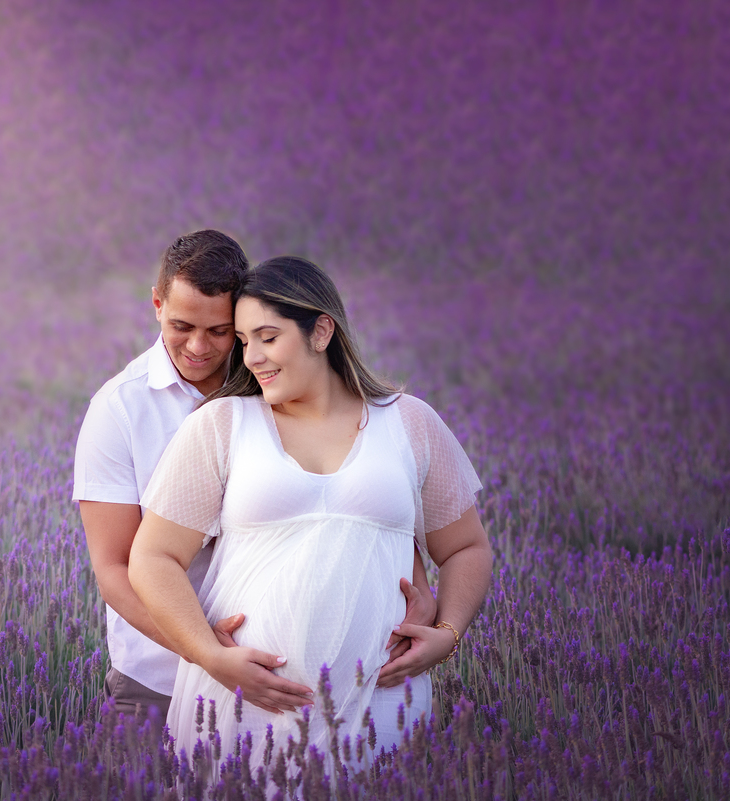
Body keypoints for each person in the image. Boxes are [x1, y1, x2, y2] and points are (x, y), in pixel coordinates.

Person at [129, 256, 492, 766]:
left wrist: (448, 635)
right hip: (245, 702)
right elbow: (152, 558)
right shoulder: (222, 424)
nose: (252, 356)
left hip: (381, 698)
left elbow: (466, 548)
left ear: (321, 331)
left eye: (268, 337)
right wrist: (212, 658)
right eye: (244, 340)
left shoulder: (409, 422)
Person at [74, 236, 439, 731]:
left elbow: (347, 507)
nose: (199, 347)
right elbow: (116, 567)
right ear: (157, 304)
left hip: (308, 689)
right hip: (159, 680)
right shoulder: (120, 409)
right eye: (181, 326)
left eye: (222, 332)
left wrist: (419, 596)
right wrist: (207, 652)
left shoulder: (279, 386)